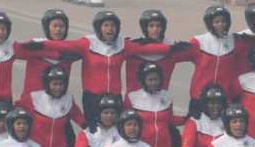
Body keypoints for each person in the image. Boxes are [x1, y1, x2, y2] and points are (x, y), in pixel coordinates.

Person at [30, 10, 171, 124]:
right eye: (106, 25)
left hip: (115, 97)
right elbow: (64, 45)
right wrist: (42, 45)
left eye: (113, 25)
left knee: (114, 134)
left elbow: (148, 49)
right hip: (93, 98)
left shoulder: (123, 44)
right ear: (99, 27)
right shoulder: (87, 43)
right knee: (95, 135)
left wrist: (172, 47)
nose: (110, 29)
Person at [174, 5, 255, 115]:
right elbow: (173, 56)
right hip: (199, 98)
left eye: (223, 21)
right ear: (210, 24)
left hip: (224, 98)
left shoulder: (235, 40)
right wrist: (170, 47)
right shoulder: (199, 41)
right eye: (216, 22)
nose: (221, 25)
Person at [19, 9, 79, 100]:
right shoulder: (35, 45)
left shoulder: (69, 49)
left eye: (61, 26)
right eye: (54, 26)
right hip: (32, 101)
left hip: (57, 102)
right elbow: (16, 51)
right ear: (47, 27)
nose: (58, 30)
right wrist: (54, 54)